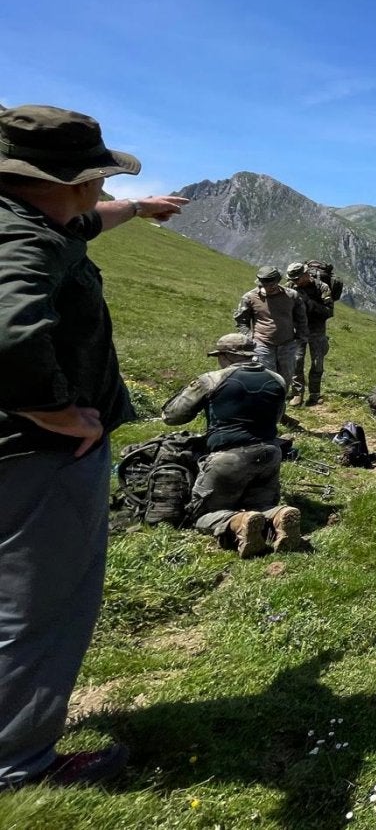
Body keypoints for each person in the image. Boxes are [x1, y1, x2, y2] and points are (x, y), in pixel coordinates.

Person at [0, 103, 187, 788]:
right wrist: (55, 414)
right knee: (39, 604)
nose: (100, 191)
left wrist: (137, 210)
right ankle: (17, 764)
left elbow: (85, 225)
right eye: (97, 178)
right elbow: (9, 336)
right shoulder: (26, 242)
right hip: (36, 460)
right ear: (69, 179)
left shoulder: (32, 218)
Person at [161, 333, 300, 558]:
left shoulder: (212, 379)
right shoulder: (277, 379)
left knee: (202, 515)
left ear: (226, 356)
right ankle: (278, 515)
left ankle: (238, 522)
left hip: (228, 458)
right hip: (270, 454)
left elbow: (173, 416)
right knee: (260, 504)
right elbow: (276, 417)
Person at [233, 266, 307, 391]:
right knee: (267, 378)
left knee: (286, 378)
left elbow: (301, 318)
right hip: (262, 344)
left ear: (278, 282)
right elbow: (241, 321)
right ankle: (268, 407)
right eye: (267, 285)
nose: (270, 287)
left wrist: (300, 337)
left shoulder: (291, 295)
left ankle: (281, 405)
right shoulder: (249, 298)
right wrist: (249, 338)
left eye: (273, 284)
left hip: (287, 344)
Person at [286, 261, 333, 406]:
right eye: (292, 279)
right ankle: (297, 394)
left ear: (306, 275)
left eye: (297, 279)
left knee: (317, 363)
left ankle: (314, 394)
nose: (295, 282)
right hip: (297, 330)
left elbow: (329, 311)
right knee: (297, 361)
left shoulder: (322, 287)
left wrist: (310, 304)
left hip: (317, 331)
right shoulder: (289, 287)